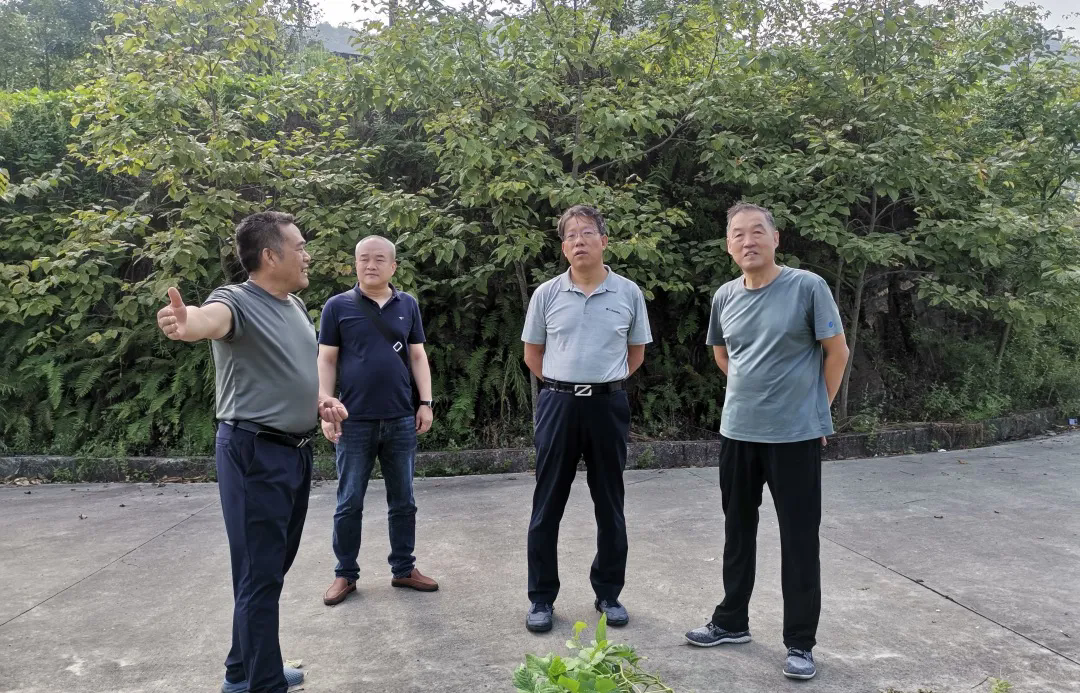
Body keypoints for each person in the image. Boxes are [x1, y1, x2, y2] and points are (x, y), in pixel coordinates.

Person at [155, 211, 348, 693]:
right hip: (254, 452)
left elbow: (287, 371)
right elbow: (206, 320)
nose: (307, 255)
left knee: (266, 570)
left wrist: (318, 403)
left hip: (293, 452)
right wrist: (186, 322)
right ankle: (264, 683)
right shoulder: (235, 300)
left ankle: (242, 670)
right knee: (259, 575)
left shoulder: (294, 304)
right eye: (299, 247)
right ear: (269, 256)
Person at [683, 202, 849, 681]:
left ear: (776, 239)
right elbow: (723, 353)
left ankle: (800, 642)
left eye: (757, 232)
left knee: (799, 540)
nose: (748, 241)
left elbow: (836, 353)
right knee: (737, 532)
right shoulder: (725, 296)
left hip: (794, 436)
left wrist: (816, 410)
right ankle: (731, 622)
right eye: (738, 234)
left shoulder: (807, 287)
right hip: (737, 433)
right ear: (728, 245)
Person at [521, 205, 652, 633]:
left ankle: (609, 593)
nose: (579, 241)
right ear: (563, 247)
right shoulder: (547, 294)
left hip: (607, 406)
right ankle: (541, 597)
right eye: (571, 235)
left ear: (604, 241)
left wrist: (601, 382)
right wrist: (564, 386)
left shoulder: (628, 293)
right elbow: (533, 354)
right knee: (547, 504)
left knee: (610, 502)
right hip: (558, 404)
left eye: (587, 233)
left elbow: (635, 354)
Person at [318, 235, 438, 606]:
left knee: (404, 500)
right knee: (348, 501)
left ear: (393, 266)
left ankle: (403, 568)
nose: (371, 265)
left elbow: (417, 356)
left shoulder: (408, 305)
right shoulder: (337, 306)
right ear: (355, 264)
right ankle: (345, 573)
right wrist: (325, 406)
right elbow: (327, 359)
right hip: (353, 420)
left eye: (379, 259)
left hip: (401, 417)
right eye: (364, 259)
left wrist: (425, 403)